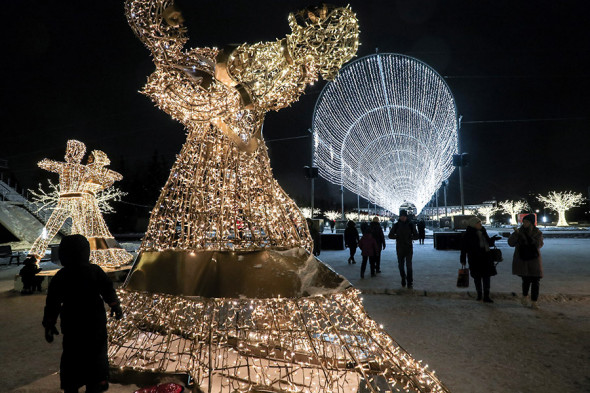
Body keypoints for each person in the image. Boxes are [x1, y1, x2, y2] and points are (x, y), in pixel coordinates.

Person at [42, 235, 123, 393]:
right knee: (96, 353)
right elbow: (107, 288)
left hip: (73, 321)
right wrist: (114, 304)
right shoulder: (94, 271)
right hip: (94, 320)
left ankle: (73, 384)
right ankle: (97, 381)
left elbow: (53, 302)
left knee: (73, 356)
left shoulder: (62, 276)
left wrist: (49, 322)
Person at [508, 214, 544, 309]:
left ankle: (534, 301)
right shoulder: (519, 232)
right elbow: (510, 243)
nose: (524, 223)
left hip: (533, 259)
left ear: (531, 223)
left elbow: (539, 244)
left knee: (536, 280)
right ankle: (525, 296)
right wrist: (516, 235)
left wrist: (528, 238)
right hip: (522, 258)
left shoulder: (537, 232)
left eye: (527, 222)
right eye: (523, 222)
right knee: (526, 279)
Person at [460, 217, 497, 303]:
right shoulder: (468, 234)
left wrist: (493, 240)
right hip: (475, 258)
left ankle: (486, 296)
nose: (480, 225)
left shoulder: (483, 231)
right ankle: (479, 295)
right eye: (478, 223)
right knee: (477, 277)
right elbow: (464, 248)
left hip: (486, 257)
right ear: (473, 224)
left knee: (486, 277)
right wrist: (463, 259)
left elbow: (488, 243)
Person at [389, 210, 418, 288]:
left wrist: (410, 238)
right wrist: (397, 237)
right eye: (401, 216)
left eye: (404, 216)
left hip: (408, 247)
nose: (403, 218)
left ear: (406, 217)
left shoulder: (411, 225)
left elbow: (416, 236)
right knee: (401, 266)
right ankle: (403, 278)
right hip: (400, 247)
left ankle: (410, 282)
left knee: (409, 266)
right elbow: (390, 235)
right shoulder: (396, 225)